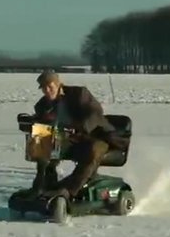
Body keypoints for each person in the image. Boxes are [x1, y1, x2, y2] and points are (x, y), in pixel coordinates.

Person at [26, 69, 129, 199]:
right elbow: (41, 123)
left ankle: (69, 191)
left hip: (96, 135)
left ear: (58, 85)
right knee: (42, 143)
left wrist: (82, 126)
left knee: (92, 150)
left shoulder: (79, 94)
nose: (47, 90)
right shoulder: (42, 105)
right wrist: (31, 122)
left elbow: (95, 113)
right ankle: (44, 186)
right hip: (68, 139)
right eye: (44, 88)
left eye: (50, 86)